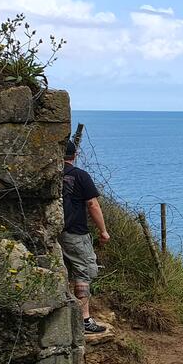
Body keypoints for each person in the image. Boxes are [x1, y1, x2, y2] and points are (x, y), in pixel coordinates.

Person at [61, 140, 110, 334]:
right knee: (84, 272)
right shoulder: (80, 175)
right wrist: (103, 231)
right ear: (75, 155)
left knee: (63, 270)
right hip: (75, 232)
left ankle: (65, 314)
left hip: (54, 232)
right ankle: (84, 320)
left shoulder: (52, 174)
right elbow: (93, 205)